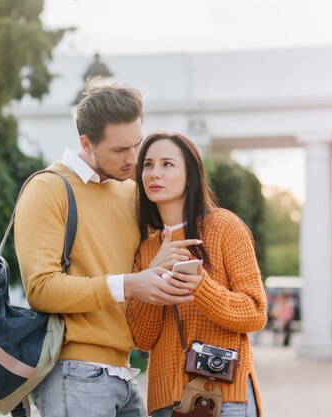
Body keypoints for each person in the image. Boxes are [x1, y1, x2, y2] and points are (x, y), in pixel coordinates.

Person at [14, 85, 197, 417]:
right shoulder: (48, 188)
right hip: (74, 374)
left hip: (126, 373)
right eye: (120, 149)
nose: (133, 158)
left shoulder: (130, 191)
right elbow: (40, 288)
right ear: (86, 143)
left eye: (137, 144)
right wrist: (128, 284)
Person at [126, 132, 267, 417]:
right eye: (148, 165)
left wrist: (201, 287)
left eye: (167, 164)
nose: (155, 173)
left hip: (225, 396)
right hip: (166, 402)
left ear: (190, 175)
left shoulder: (224, 226)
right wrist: (155, 270)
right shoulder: (146, 249)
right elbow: (142, 338)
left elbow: (255, 312)